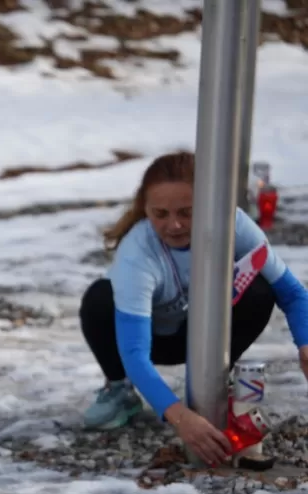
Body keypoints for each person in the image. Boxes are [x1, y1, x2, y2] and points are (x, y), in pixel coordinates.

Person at [79, 151, 308, 467]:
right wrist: (179, 417)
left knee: (259, 289)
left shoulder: (234, 225)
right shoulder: (137, 252)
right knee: (100, 298)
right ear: (145, 209)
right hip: (151, 339)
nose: (173, 225)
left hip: (208, 334)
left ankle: (216, 382)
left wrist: (305, 345)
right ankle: (119, 390)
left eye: (187, 213)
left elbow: (293, 294)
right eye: (160, 214)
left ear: (209, 204)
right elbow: (134, 353)